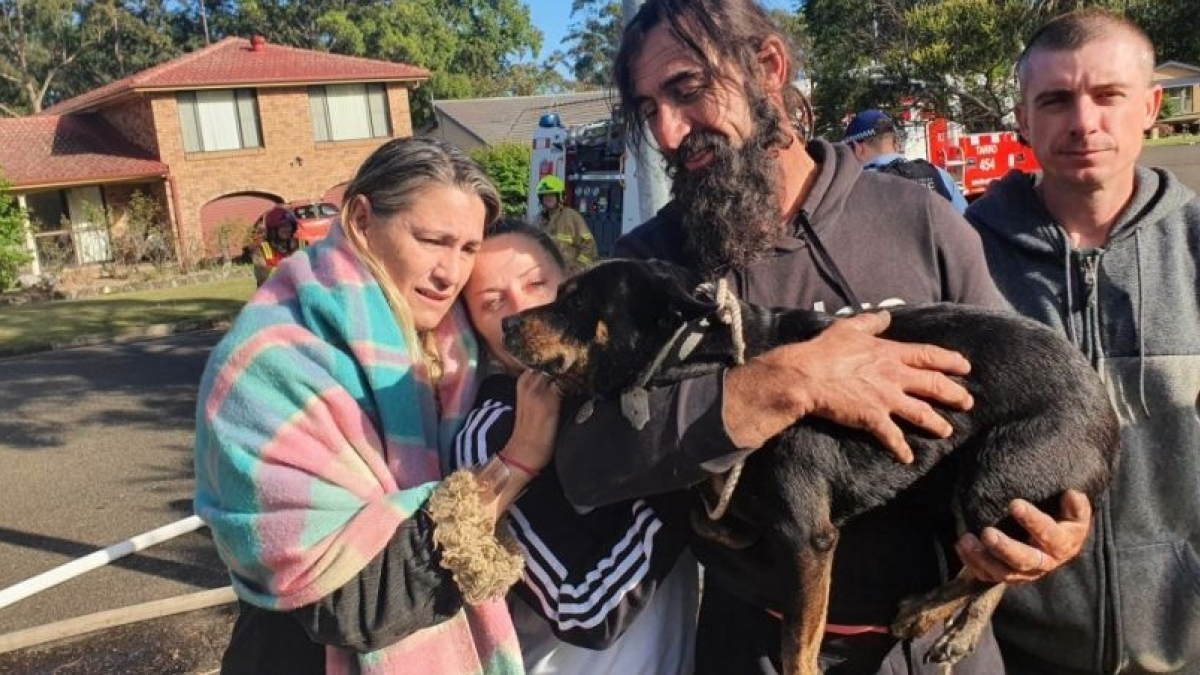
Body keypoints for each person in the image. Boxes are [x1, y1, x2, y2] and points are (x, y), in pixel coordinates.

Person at [550, 1, 1095, 673]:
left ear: (768, 68)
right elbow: (586, 461)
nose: (666, 131)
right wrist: (783, 383)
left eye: (687, 91)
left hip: (934, 652)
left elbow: (1022, 397)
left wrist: (1059, 526)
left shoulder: (919, 222)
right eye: (646, 108)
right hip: (758, 648)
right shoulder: (649, 271)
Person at [194, 137, 553, 675]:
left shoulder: (455, 350)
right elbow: (352, 604)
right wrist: (516, 461)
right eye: (433, 240)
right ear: (361, 220)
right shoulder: (272, 365)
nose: (450, 273)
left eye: (468, 249)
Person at [965, 9, 1200, 674]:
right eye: (1057, 99)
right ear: (1023, 119)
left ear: (1151, 106)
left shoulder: (1194, 245)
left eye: (1108, 96)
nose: (1084, 121)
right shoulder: (962, 253)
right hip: (1014, 646)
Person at [453, 218, 698, 675]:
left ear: (571, 283)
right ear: (473, 329)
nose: (522, 309)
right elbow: (583, 606)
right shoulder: (489, 437)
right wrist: (690, 463)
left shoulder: (614, 387)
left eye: (537, 283)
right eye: (492, 303)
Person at [843, 109, 969, 213]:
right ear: (895, 143)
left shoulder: (854, 188)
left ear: (857, 149)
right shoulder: (939, 175)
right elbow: (968, 227)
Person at [534, 175, 598, 272]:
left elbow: (589, 246)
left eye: (551, 195)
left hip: (569, 274)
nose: (548, 198)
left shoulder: (571, 216)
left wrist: (578, 269)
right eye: (545, 195)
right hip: (547, 272)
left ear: (560, 196)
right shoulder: (538, 220)